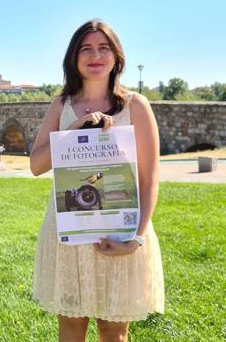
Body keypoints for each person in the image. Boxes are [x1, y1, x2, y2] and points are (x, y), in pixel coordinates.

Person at [29, 20, 164, 342]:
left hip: (121, 230)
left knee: (114, 331)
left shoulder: (135, 106)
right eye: (86, 48)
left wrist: (137, 238)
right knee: (71, 327)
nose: (96, 55)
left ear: (117, 57)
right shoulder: (61, 106)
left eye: (104, 48)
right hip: (70, 233)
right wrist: (73, 130)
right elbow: (36, 165)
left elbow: (149, 179)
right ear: (73, 58)